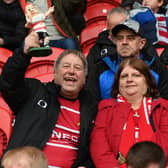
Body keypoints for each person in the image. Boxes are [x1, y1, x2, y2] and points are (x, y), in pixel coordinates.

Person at [0, 32, 97, 168]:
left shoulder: (91, 108)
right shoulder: (34, 92)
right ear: (55, 75)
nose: (71, 71)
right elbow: (8, 83)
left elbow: (95, 151)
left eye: (78, 68)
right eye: (66, 66)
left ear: (84, 79)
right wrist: (24, 54)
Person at [90, 58, 168, 168]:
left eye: (136, 75)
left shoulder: (163, 108)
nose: (129, 79)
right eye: (124, 76)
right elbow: (99, 148)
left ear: (147, 81)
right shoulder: (106, 108)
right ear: (118, 83)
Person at [86, 18, 168, 101]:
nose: (124, 42)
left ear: (142, 43)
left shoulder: (158, 69)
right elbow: (91, 103)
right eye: (120, 38)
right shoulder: (100, 68)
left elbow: (164, 104)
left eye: (130, 38)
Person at [86, 7, 129, 102]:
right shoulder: (97, 49)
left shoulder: (142, 46)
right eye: (112, 29)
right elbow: (89, 84)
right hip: (106, 106)